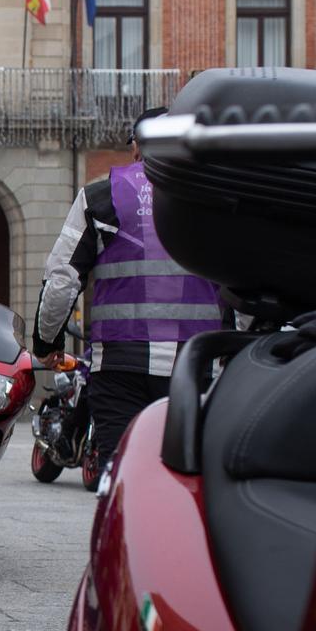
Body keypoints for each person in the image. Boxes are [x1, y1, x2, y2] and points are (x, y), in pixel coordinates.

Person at [32, 109, 223, 475]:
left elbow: (62, 279)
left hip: (120, 365)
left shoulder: (101, 196)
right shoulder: (214, 199)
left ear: (137, 147)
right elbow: (241, 282)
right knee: (185, 476)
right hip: (195, 365)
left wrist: (46, 343)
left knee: (119, 475)